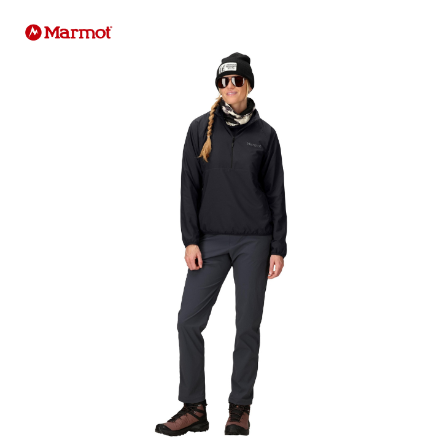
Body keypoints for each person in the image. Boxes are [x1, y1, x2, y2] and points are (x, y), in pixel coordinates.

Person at [155, 52, 287, 437]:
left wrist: (278, 246)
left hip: (255, 241)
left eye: (236, 80)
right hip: (209, 241)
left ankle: (239, 408)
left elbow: (276, 192)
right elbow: (189, 187)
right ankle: (194, 408)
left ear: (249, 84)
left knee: (247, 325)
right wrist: (190, 240)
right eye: (223, 81)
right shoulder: (200, 129)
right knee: (188, 321)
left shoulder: (265, 135)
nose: (229, 86)